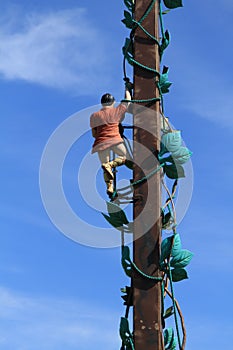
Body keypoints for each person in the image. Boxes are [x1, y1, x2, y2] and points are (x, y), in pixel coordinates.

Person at [90, 87, 131, 198]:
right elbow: (128, 100)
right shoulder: (116, 111)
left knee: (104, 166)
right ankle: (110, 165)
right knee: (124, 156)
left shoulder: (94, 116)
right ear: (112, 103)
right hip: (115, 140)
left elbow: (94, 134)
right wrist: (127, 87)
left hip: (100, 143)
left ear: (102, 103)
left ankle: (110, 187)